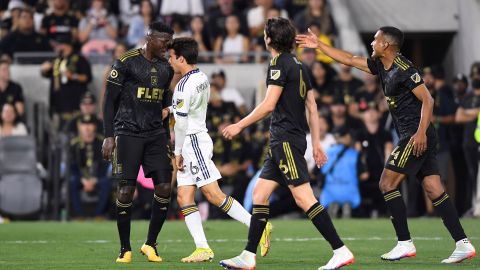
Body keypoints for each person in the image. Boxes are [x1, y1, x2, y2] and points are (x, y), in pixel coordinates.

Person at [297, 25, 476, 263]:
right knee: (434, 188)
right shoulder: (381, 65)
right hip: (411, 134)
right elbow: (349, 60)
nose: (372, 43)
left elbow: (428, 100)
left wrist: (420, 133)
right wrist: (320, 45)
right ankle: (463, 244)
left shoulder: (405, 68)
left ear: (386, 45)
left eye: (375, 39)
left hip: (415, 135)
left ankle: (404, 243)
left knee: (386, 183)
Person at [220, 17, 354, 270]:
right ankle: (248, 255)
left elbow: (269, 105)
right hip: (286, 141)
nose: (263, 37)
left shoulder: (277, 64)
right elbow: (312, 107)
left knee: (304, 199)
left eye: (264, 34)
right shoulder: (301, 66)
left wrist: (239, 125)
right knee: (260, 194)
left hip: (285, 141)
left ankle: (340, 250)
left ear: (270, 39)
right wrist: (315, 143)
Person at [166, 37, 270, 263]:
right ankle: (202, 248)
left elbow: (182, 124)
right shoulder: (201, 76)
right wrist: (171, 108)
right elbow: (187, 109)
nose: (170, 61)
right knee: (184, 196)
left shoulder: (182, 86)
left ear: (181, 58)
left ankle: (257, 225)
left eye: (172, 57)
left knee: (213, 195)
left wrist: (177, 152)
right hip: (197, 139)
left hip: (192, 143)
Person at [101, 21, 177, 264]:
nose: (166, 45)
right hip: (128, 132)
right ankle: (125, 248)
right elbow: (108, 101)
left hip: (155, 134)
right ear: (149, 37)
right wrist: (109, 135)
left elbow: (165, 106)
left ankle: (150, 244)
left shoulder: (167, 68)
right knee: (125, 191)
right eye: (163, 40)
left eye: (169, 41)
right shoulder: (126, 62)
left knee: (165, 187)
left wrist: (167, 137)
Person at [40, 36, 92, 130]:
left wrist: (72, 76)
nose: (57, 48)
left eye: (59, 46)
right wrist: (44, 69)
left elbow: (87, 77)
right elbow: (46, 74)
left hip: (75, 107)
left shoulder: (80, 59)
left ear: (66, 46)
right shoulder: (57, 60)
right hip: (58, 106)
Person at [69, 114, 110, 218]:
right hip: (81, 178)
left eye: (90, 124)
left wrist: (95, 180)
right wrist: (83, 180)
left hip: (98, 177)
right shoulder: (74, 145)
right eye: (83, 124)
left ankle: (99, 215)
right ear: (79, 127)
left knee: (106, 182)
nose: (87, 128)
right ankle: (79, 216)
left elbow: (106, 164)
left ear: (95, 126)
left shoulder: (102, 143)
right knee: (72, 182)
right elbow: (72, 165)